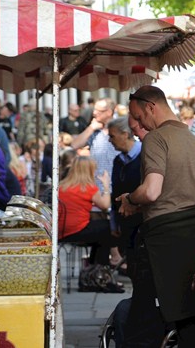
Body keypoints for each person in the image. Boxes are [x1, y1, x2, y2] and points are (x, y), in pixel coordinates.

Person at [117, 86, 195, 347]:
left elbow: (152, 191)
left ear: (151, 107)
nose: (139, 124)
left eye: (138, 116)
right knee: (193, 319)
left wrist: (129, 199)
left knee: (145, 317)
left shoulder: (156, 139)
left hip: (164, 240)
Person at [58, 156, 122, 291]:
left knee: (101, 234)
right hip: (77, 230)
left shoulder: (62, 187)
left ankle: (95, 272)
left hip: (62, 232)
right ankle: (101, 273)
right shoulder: (88, 188)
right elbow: (105, 205)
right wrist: (105, 185)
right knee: (107, 229)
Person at [72, 97, 122, 265]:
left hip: (117, 185)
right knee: (102, 225)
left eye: (99, 111)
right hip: (96, 187)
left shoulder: (120, 129)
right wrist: (91, 128)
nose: (94, 113)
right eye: (95, 110)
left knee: (116, 227)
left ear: (109, 112)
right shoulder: (93, 131)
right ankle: (110, 260)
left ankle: (115, 257)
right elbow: (74, 144)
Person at [107, 117, 144, 277]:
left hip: (141, 220)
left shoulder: (144, 156)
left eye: (112, 136)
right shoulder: (118, 161)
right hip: (126, 221)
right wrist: (114, 222)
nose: (110, 140)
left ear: (125, 134)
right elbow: (114, 191)